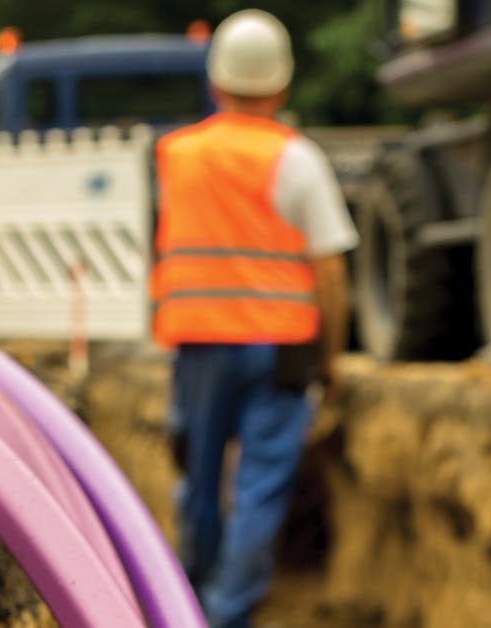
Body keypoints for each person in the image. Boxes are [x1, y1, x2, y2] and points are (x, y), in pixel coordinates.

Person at [151, 9, 356, 628]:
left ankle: (181, 603)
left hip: (199, 342)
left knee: (200, 479)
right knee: (259, 490)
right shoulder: (298, 159)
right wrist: (332, 359)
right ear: (282, 86)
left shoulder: (176, 155)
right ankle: (222, 617)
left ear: (216, 84)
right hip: (281, 347)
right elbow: (330, 272)